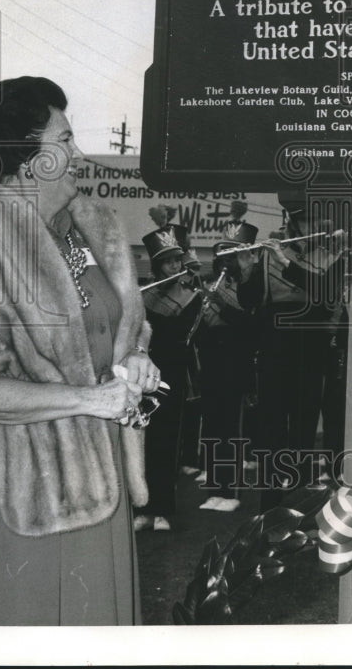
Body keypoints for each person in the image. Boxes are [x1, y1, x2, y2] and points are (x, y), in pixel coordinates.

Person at [0, 76, 160, 625]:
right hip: (29, 491)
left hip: (107, 476)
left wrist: (136, 356)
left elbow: (124, 328)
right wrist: (89, 401)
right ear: (26, 157)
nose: (77, 155)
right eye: (64, 141)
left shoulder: (92, 228)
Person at [237, 194, 346, 510]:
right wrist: (245, 272)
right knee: (271, 431)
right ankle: (269, 509)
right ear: (292, 223)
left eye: (314, 220)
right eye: (302, 221)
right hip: (275, 352)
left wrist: (287, 265)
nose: (310, 226)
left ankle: (300, 508)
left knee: (303, 432)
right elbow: (251, 303)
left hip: (310, 354)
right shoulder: (270, 255)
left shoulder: (332, 257)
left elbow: (327, 296)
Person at [134, 225, 202, 531]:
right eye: (168, 261)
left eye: (177, 259)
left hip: (173, 374)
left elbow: (184, 335)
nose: (174, 265)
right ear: (157, 265)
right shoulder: (143, 295)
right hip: (145, 373)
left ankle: (163, 508)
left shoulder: (190, 296)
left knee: (168, 442)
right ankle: (143, 508)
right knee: (143, 440)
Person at [196, 223, 259, 511]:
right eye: (221, 254)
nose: (224, 261)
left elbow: (250, 327)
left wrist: (220, 304)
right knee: (211, 427)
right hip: (211, 362)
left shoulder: (250, 288)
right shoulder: (209, 286)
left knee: (232, 430)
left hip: (236, 363)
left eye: (230, 255)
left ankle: (230, 491)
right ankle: (213, 489)